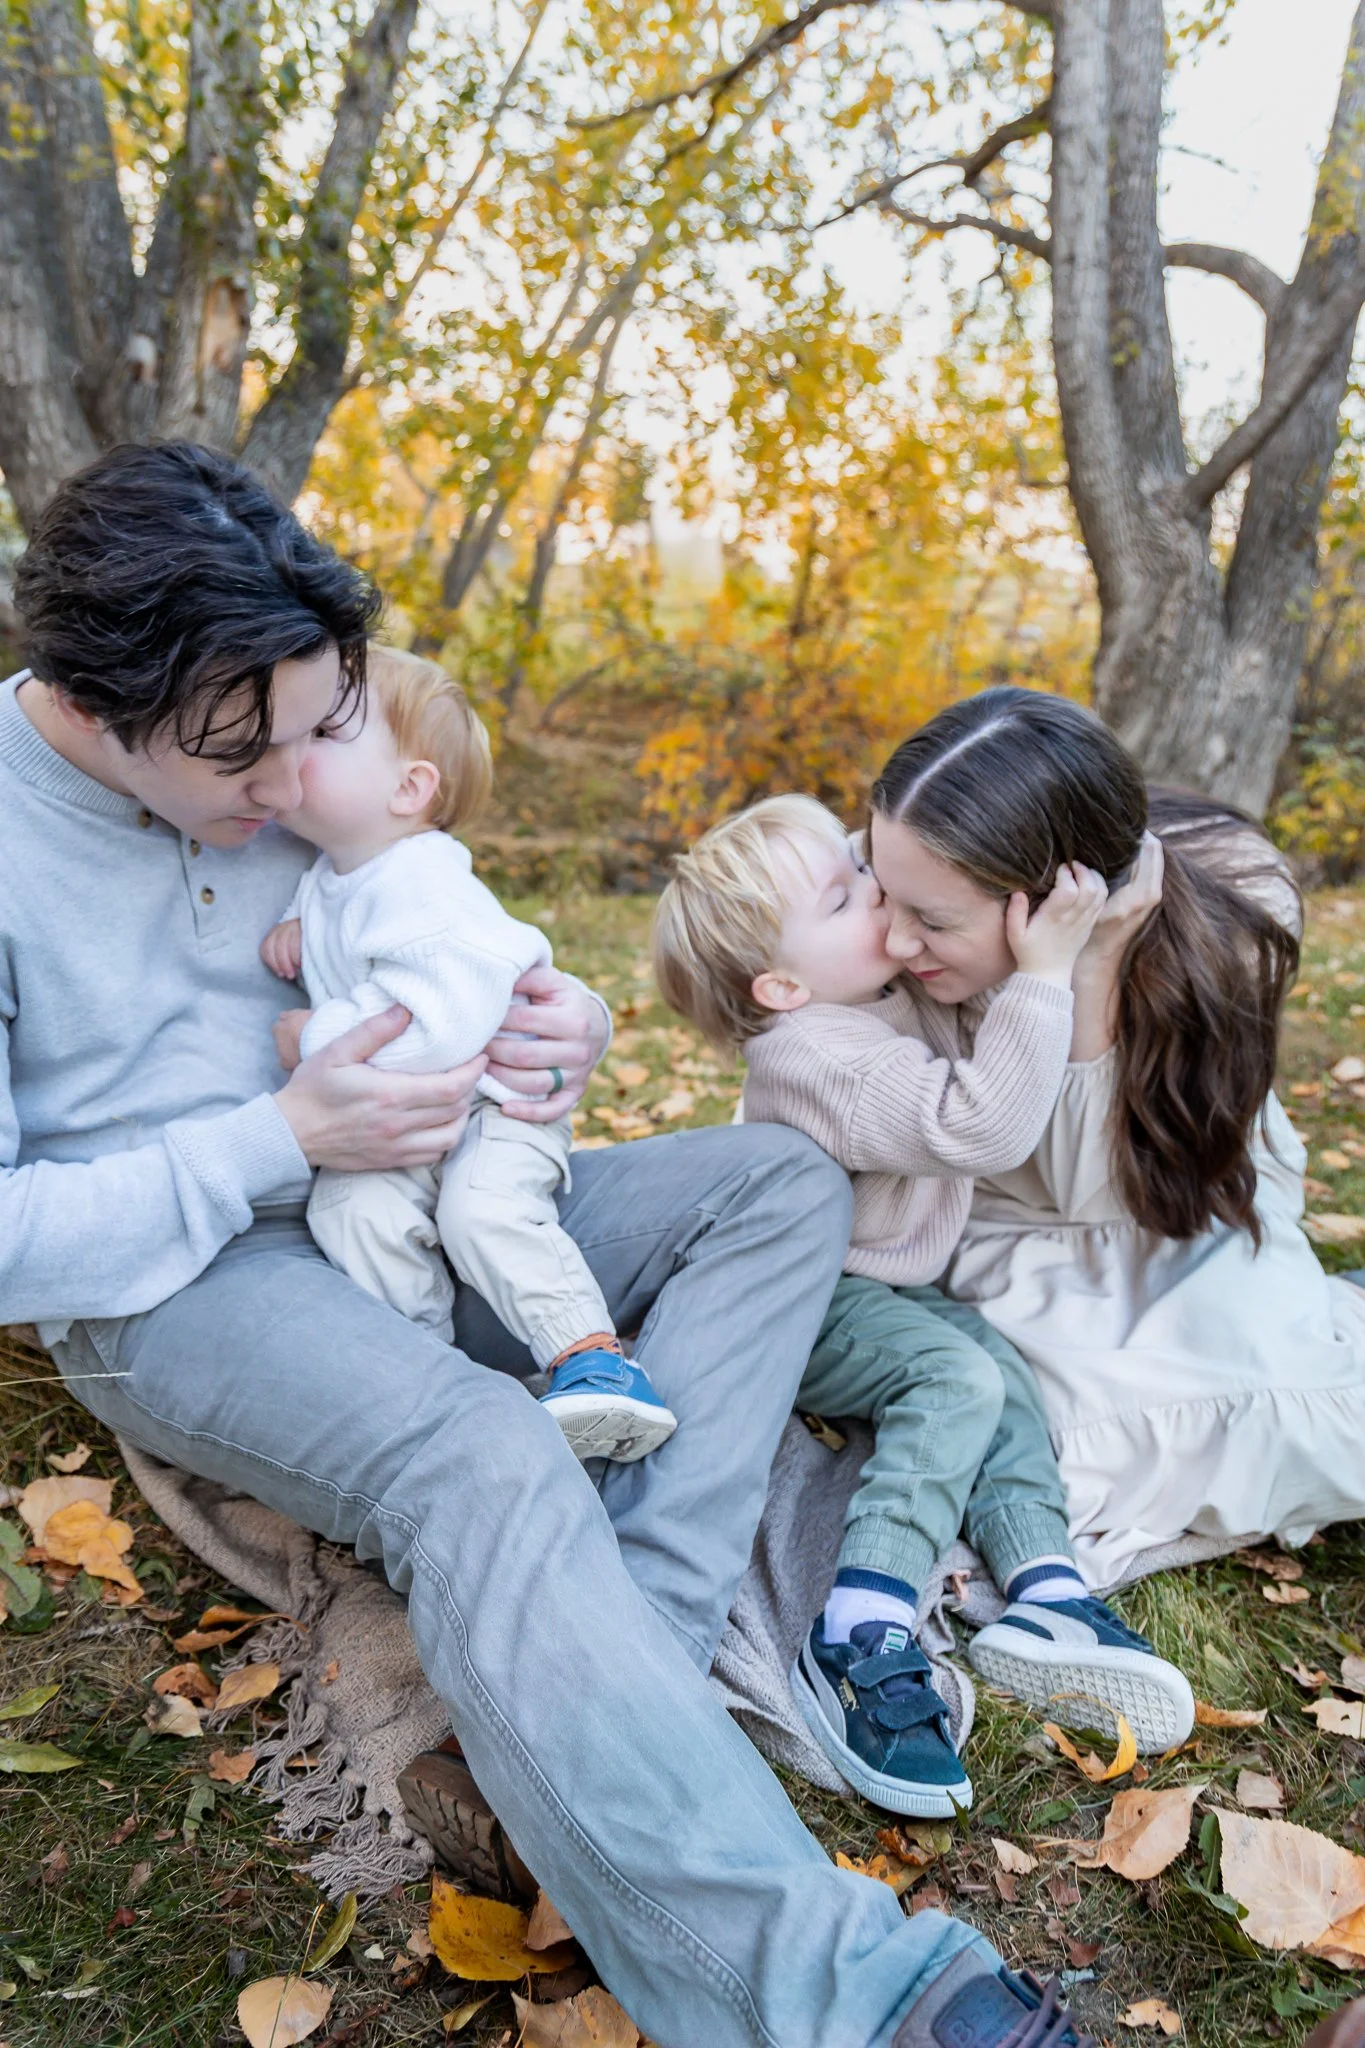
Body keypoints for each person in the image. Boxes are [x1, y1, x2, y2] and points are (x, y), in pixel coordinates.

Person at [0, 444, 1100, 2048]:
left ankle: (614, 1672)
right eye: (251, 755)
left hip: (440, 1182)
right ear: (106, 709)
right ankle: (853, 2001)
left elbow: (430, 921)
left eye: (321, 728)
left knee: (773, 1184)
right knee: (483, 1451)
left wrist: (556, 1016)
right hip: (188, 1271)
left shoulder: (271, 727)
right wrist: (279, 1140)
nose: (295, 782)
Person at [652, 795, 1194, 1818]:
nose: (878, 896)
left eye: (864, 869)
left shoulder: (877, 992)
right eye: (844, 895)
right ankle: (859, 1622)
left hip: (888, 1284)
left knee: (1001, 1378)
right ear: (782, 984)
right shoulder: (811, 1051)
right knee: (954, 1379)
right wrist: (1044, 971)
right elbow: (981, 1123)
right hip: (800, 1299)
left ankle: (1045, 1588)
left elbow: (992, 1035)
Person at [864, 686, 1365, 1587]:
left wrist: (1085, 968)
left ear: (1058, 901)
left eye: (932, 921)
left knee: (1292, 1411)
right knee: (1064, 1446)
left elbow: (1096, 1184)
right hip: (1001, 1231)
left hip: (1168, 1211)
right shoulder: (907, 878)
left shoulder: (1215, 918)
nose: (894, 940)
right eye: (880, 892)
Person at [260, 645, 676, 1463]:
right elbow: (349, 932)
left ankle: (593, 1360)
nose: (292, 743)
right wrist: (298, 927)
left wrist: (311, 1036)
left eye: (323, 732)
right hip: (413, 1117)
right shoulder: (335, 870)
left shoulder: (424, 879)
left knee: (481, 1209)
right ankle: (435, 1381)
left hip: (496, 1104)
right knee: (352, 1211)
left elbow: (434, 1023)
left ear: (408, 788)